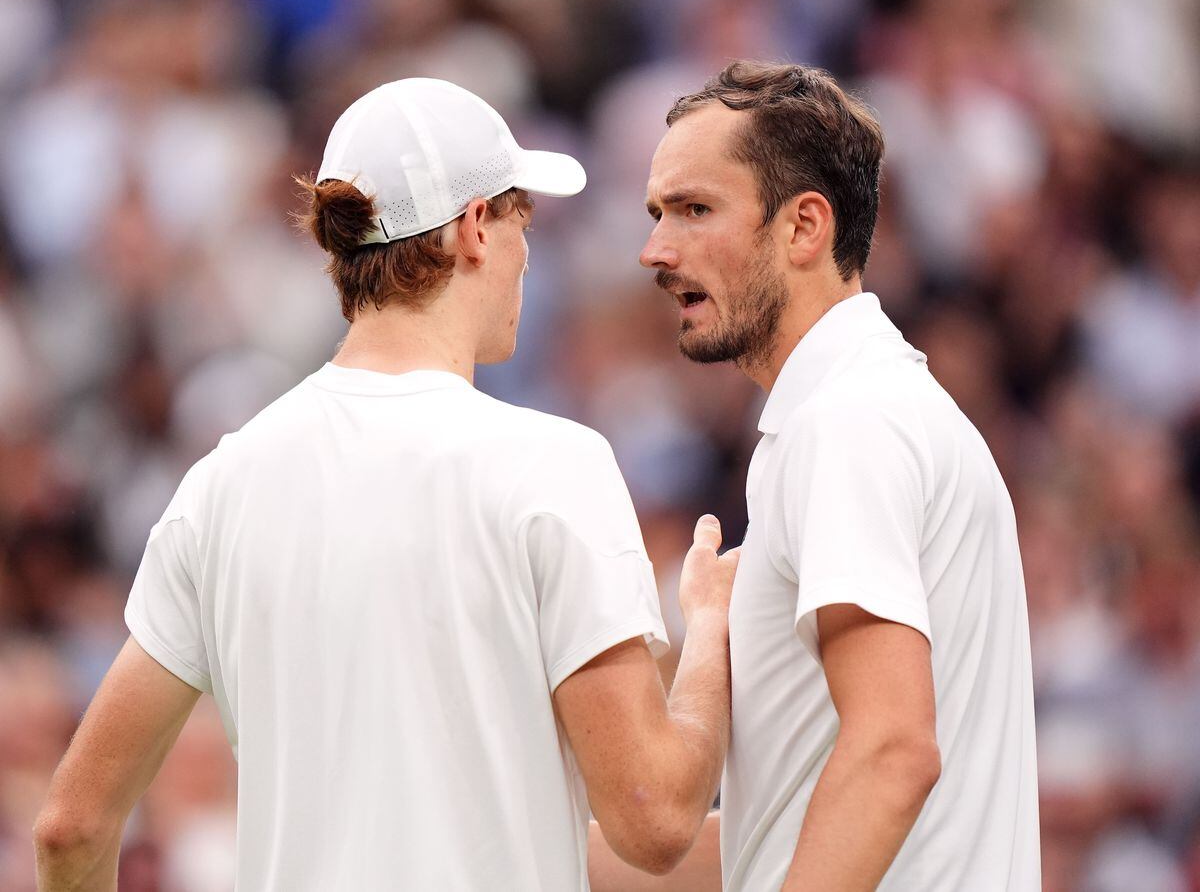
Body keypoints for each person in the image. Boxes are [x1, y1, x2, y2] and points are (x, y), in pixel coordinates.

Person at [34, 78, 739, 891]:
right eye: (521, 221)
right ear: (475, 228)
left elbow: (70, 827)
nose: (526, 254)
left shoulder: (222, 484)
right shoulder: (552, 466)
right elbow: (653, 821)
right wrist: (712, 631)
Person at [636, 60, 1041, 890]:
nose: (655, 251)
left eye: (694, 210)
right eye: (657, 214)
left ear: (804, 227)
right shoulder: (857, 409)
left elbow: (893, 753)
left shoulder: (848, 421)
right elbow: (775, 844)